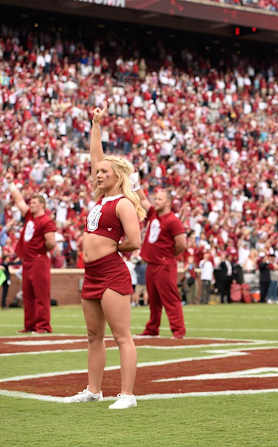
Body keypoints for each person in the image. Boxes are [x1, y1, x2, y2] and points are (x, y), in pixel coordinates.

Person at [65, 103, 144, 409]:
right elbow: (95, 156)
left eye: (103, 172)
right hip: (92, 274)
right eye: (96, 172)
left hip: (111, 272)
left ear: (116, 176)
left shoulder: (123, 203)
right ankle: (93, 389)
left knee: (121, 335)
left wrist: (113, 250)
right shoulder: (100, 197)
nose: (97, 174)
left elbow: (134, 241)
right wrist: (95, 123)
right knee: (93, 336)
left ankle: (127, 394)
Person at [5, 182, 57, 333]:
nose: (30, 205)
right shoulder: (30, 216)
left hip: (39, 260)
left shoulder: (46, 221)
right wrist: (11, 185)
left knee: (40, 294)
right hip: (27, 261)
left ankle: (43, 326)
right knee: (28, 295)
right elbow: (19, 201)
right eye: (31, 202)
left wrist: (41, 250)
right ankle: (30, 325)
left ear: (42, 205)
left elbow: (51, 242)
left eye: (34, 203)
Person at [136, 187, 187, 338]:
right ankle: (152, 328)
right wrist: (135, 185)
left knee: (170, 299)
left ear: (168, 202)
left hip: (164, 264)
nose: (156, 201)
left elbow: (181, 243)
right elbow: (143, 200)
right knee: (154, 300)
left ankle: (178, 331)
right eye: (156, 198)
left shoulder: (172, 221)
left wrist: (169, 255)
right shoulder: (153, 214)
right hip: (151, 264)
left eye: (160, 199)